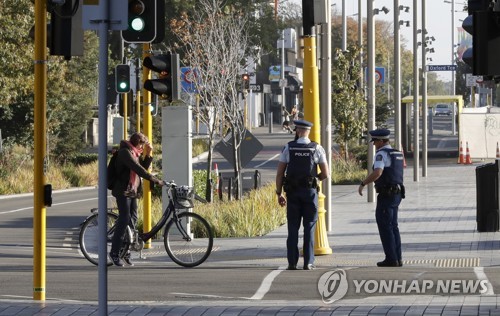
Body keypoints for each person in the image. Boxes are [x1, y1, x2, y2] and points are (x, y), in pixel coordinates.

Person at [275, 119, 330, 270]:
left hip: (292, 193)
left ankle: (292, 262)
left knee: (293, 228)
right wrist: (314, 180)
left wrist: (279, 193)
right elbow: (326, 173)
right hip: (310, 193)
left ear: (298, 131)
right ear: (308, 132)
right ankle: (309, 262)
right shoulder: (317, 148)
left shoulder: (288, 147)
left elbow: (280, 173)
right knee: (309, 226)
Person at [109, 132, 163, 267]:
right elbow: (138, 169)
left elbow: (142, 167)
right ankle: (114, 253)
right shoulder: (125, 153)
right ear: (137, 143)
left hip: (132, 190)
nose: (142, 148)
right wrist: (155, 180)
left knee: (133, 219)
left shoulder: (134, 153)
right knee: (124, 219)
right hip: (122, 190)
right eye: (142, 146)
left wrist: (149, 154)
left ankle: (125, 251)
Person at [358, 129, 405, 267]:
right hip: (397, 193)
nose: (373, 145)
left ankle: (391, 258)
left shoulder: (381, 154)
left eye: (375, 142)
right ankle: (397, 257)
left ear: (380, 141)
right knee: (393, 226)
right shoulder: (397, 153)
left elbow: (378, 172)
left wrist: (363, 183)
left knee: (385, 226)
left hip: (386, 194)